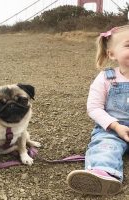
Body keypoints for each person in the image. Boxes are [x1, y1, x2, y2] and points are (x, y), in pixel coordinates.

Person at [67, 25, 129, 196]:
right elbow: (94, 108)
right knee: (105, 147)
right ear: (111, 54)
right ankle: (102, 174)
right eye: (128, 45)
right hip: (112, 129)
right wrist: (115, 126)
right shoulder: (106, 78)